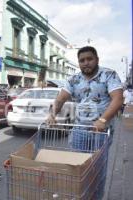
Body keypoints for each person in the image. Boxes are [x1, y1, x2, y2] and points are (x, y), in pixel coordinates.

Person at [47, 46, 123, 199]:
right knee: (77, 168)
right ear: (79, 63)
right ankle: (79, 196)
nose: (86, 63)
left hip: (100, 132)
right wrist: (52, 115)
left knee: (97, 170)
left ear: (97, 60)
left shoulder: (109, 75)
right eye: (82, 60)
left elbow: (118, 98)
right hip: (79, 130)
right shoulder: (74, 79)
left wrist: (103, 120)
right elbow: (61, 98)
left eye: (89, 59)